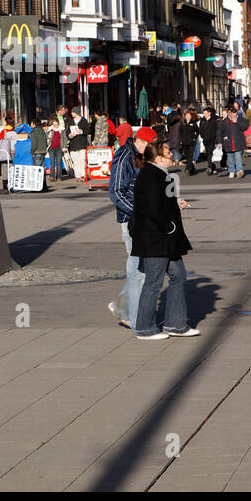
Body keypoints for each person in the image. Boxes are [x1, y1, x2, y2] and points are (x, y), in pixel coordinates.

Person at [130, 141, 199, 340]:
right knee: (153, 282)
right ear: (158, 157)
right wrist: (169, 225)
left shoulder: (162, 174)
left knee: (178, 276)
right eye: (168, 152)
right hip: (155, 238)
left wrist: (178, 203)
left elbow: (165, 200)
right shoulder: (150, 175)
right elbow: (151, 208)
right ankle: (144, 328)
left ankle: (176, 324)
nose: (172, 154)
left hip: (168, 239)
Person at [107, 125, 159, 331]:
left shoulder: (140, 155)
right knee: (139, 270)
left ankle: (124, 307)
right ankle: (133, 316)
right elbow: (116, 192)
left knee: (139, 268)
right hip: (132, 221)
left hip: (143, 219)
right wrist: (138, 211)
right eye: (149, 145)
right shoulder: (123, 158)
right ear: (140, 142)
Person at [219, 106, 245, 178]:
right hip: (228, 143)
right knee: (230, 159)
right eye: (232, 114)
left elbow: (244, 127)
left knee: (238, 157)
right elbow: (220, 132)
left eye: (235, 114)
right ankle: (232, 171)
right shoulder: (224, 122)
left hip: (237, 142)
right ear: (229, 114)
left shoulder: (239, 120)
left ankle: (239, 171)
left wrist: (237, 122)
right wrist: (220, 141)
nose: (234, 116)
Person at [66, 108, 90, 179]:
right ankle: (78, 176)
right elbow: (67, 132)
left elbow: (88, 130)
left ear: (76, 113)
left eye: (73, 112)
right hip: (73, 144)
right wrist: (70, 135)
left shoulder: (83, 121)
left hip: (82, 143)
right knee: (75, 160)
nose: (71, 114)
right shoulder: (70, 121)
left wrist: (81, 131)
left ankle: (83, 175)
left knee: (82, 160)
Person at [197, 106, 219, 175]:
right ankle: (214, 168)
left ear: (209, 113)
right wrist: (202, 136)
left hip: (212, 140)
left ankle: (209, 167)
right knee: (208, 154)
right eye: (204, 113)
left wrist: (215, 138)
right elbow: (200, 129)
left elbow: (216, 130)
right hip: (205, 140)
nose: (204, 115)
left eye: (206, 113)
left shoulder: (213, 120)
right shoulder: (202, 121)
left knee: (210, 153)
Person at [180, 108, 201, 175]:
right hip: (184, 142)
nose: (188, 117)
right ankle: (193, 169)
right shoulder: (183, 123)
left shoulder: (193, 123)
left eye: (189, 116)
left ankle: (188, 169)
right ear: (185, 116)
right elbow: (180, 132)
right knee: (187, 156)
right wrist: (181, 139)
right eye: (187, 116)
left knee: (190, 156)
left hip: (192, 142)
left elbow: (197, 131)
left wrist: (194, 138)